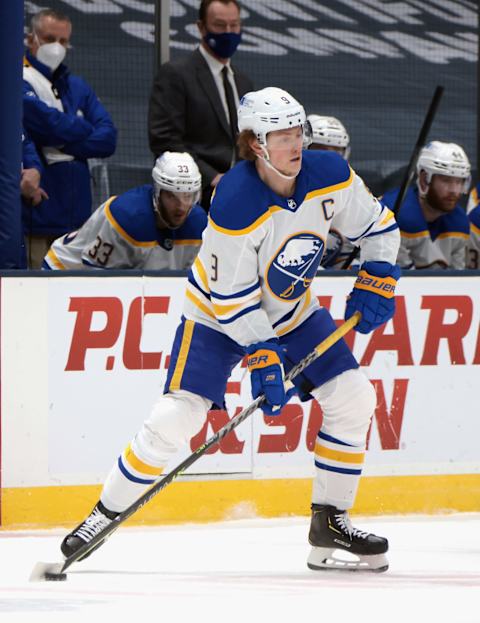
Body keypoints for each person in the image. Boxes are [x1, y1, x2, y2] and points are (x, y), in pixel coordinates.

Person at [61, 87, 400, 573]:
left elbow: (380, 226)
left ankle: (331, 522)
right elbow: (232, 299)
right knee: (176, 417)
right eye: (282, 135)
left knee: (353, 398)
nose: (296, 143)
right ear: (256, 144)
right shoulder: (235, 202)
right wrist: (262, 355)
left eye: (298, 131)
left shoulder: (330, 175)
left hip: (292, 309)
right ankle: (102, 515)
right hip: (217, 317)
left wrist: (379, 276)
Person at [23, 8, 117, 268]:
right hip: (37, 217)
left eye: (63, 41)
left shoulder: (77, 86)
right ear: (32, 38)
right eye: (50, 38)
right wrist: (83, 127)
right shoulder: (19, 79)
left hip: (77, 225)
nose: (56, 47)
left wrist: (58, 138)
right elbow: (45, 121)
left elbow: (108, 138)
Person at [148, 0, 253, 210]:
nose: (229, 32)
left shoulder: (243, 81)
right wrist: (213, 178)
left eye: (234, 25)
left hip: (241, 197)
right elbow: (164, 139)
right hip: (192, 198)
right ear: (201, 27)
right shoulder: (176, 75)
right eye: (220, 26)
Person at [43, 152, 206, 270]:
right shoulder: (126, 217)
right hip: (65, 272)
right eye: (172, 196)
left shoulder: (199, 224)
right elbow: (96, 276)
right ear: (157, 193)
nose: (181, 206)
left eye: (187, 196)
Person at [382, 141, 471, 269]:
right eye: (446, 180)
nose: (454, 190)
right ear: (424, 180)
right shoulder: (395, 214)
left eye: (459, 181)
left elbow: (459, 281)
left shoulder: (460, 222)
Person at [307, 114, 355, 269]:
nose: (327, 161)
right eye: (320, 150)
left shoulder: (352, 196)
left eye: (336, 153)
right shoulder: (282, 188)